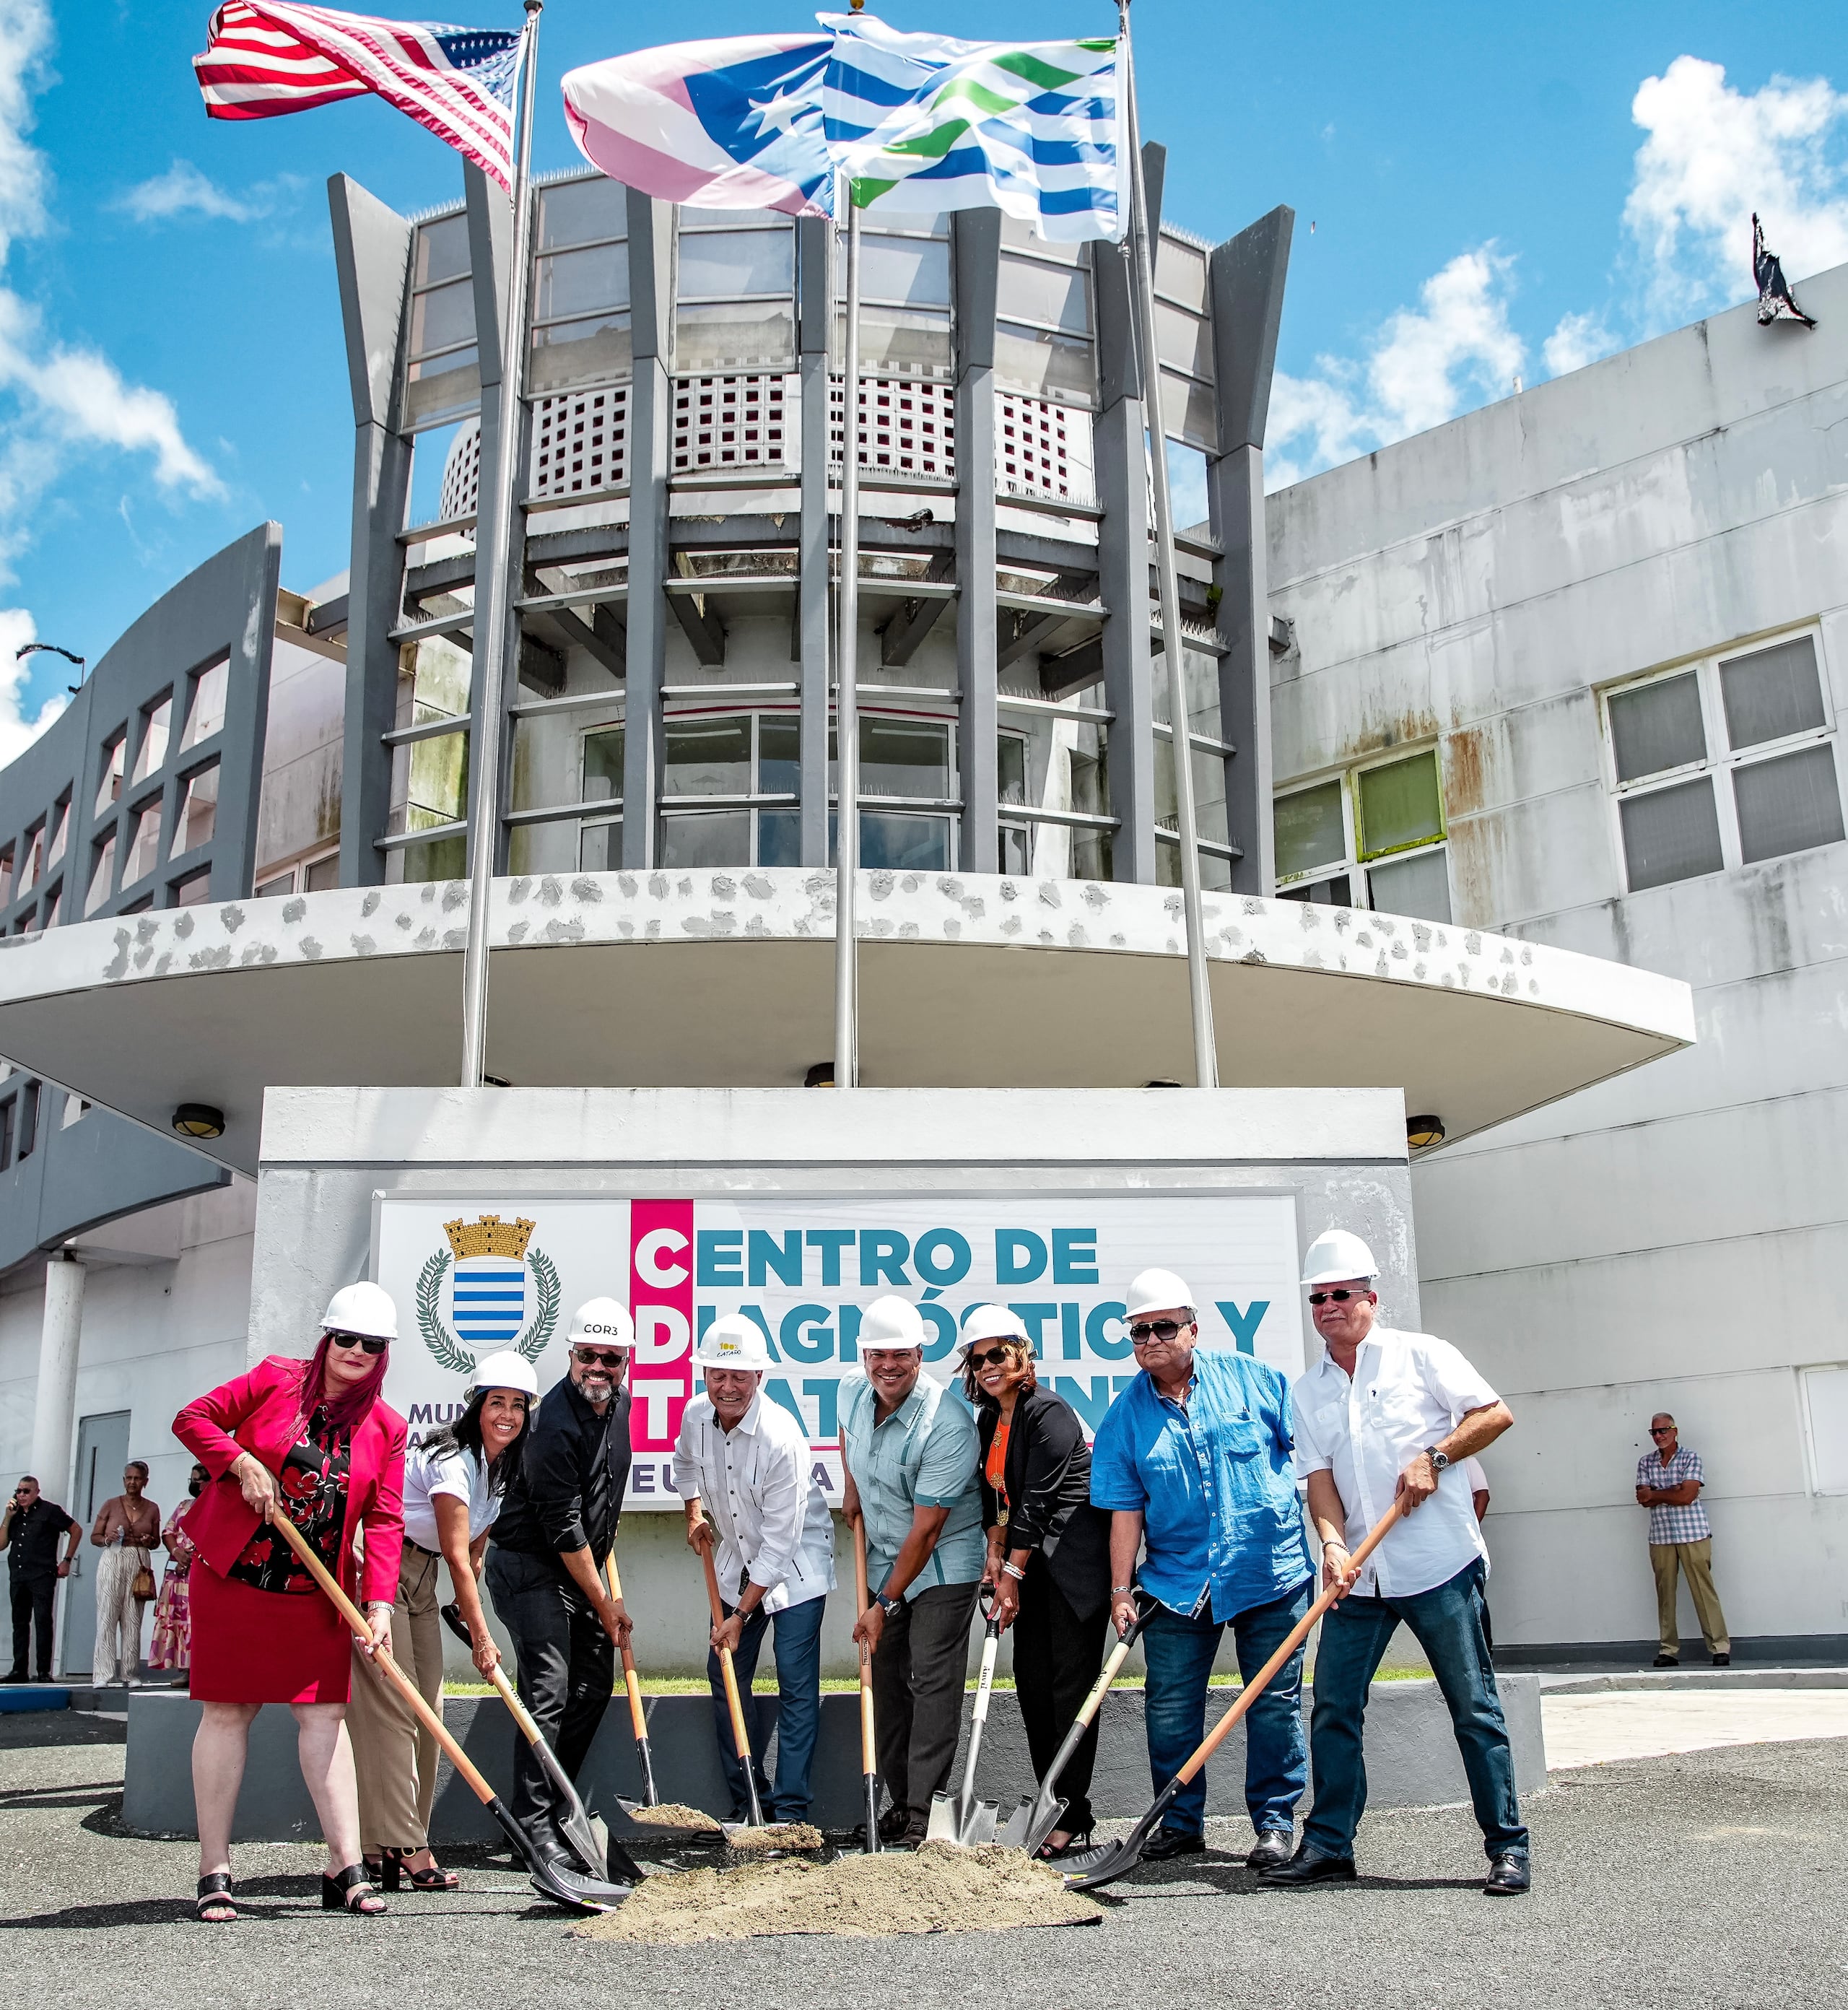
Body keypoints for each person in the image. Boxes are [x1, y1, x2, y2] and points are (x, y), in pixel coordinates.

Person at [1268, 1230, 1529, 1897]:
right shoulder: (1309, 1390)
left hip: (1440, 1565)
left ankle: (1507, 1847)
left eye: (1340, 1294)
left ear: (1370, 1298)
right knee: (1332, 1707)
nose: (1328, 1306)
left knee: (1473, 1707)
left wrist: (1435, 1459)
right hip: (1360, 1573)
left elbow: (1495, 1413)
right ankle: (1328, 1844)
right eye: (1317, 1297)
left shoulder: (1422, 1356)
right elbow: (1318, 1479)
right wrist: (1331, 1544)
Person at [173, 1280, 406, 1923]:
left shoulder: (386, 1426)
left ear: (385, 1352)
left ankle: (346, 1866)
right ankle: (214, 1869)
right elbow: (192, 1418)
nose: (356, 1350)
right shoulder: (276, 1378)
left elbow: (385, 1520)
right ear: (328, 1338)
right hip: (235, 1579)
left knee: (325, 1717)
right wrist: (240, 1461)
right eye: (347, 1338)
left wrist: (379, 1604)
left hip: (314, 1592)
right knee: (228, 1712)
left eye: (372, 1343)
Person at [1089, 1268, 1316, 1869]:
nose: (1150, 1340)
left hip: (1271, 1573)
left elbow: (1313, 1463)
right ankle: (1179, 1823)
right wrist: (1120, 1589)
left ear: (1193, 1328)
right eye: (1138, 1332)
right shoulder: (1124, 1417)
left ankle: (1274, 1825)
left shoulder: (1255, 1380)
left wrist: (1331, 1539)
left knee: (1272, 1702)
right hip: (1176, 1583)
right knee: (1169, 1707)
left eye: (1163, 1327)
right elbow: (1123, 1512)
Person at [348, 1351, 537, 1889]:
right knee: (394, 1707)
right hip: (383, 1568)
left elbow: (472, 1556)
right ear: (476, 1407)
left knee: (429, 1707)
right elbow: (458, 1553)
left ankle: (391, 1843)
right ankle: (402, 1846)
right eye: (496, 1402)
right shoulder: (453, 1459)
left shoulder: (501, 1470)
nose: (507, 1414)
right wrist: (483, 1640)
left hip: (424, 1577)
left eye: (517, 1405)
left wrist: (465, 1605)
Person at [486, 1298, 635, 1868]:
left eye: (610, 1359)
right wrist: (603, 1601)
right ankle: (531, 1827)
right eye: (587, 1357)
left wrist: (600, 1588)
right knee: (547, 1688)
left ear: (626, 1362)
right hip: (528, 1566)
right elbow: (563, 1525)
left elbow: (604, 1498)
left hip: (577, 1569)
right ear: (570, 1355)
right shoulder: (549, 1422)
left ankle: (555, 1804)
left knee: (595, 1684)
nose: (597, 1368)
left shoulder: (618, 1407)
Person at [962, 1304, 1112, 1858]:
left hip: (1070, 1571)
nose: (987, 1367)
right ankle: (1053, 1802)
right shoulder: (989, 1420)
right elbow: (996, 1499)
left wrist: (1011, 1574)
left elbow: (1037, 1502)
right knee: (1031, 1689)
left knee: (1068, 1694)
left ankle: (1072, 1813)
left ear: (1022, 1355)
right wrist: (994, 1555)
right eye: (977, 1360)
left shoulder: (1048, 1411)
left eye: (997, 1354)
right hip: (1029, 1567)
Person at [674, 1314, 834, 1823]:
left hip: (796, 1568)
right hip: (736, 1559)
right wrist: (694, 1511)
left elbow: (781, 1544)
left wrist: (741, 1616)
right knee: (724, 1673)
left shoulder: (781, 1439)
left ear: (760, 1378)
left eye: (739, 1376)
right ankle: (749, 1802)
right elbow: (682, 1466)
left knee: (794, 1682)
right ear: (704, 1376)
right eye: (717, 1374)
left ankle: (789, 1812)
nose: (727, 1387)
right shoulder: (696, 1416)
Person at [840, 1293, 985, 1848]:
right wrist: (852, 1489)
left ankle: (924, 1809)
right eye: (877, 1354)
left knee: (931, 1680)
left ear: (920, 1356)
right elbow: (848, 1437)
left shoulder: (947, 1425)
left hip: (944, 1564)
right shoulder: (852, 1389)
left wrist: (884, 1605)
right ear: (864, 1355)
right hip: (881, 1555)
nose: (888, 1366)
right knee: (885, 1682)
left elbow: (927, 1531)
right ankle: (897, 1804)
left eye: (900, 1354)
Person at [1636, 1413, 1730, 1669]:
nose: (1659, 1436)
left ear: (1675, 1430)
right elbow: (1643, 1498)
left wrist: (1657, 1493)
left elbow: (1688, 1496)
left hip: (1694, 1533)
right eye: (1654, 1432)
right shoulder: (1645, 1462)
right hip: (1661, 1537)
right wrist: (1671, 1492)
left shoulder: (1690, 1457)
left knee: (1703, 1591)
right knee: (1665, 1594)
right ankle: (1668, 1650)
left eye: (1664, 1430)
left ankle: (1719, 1647)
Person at [89, 1461, 161, 1687]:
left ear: (145, 1482)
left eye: (137, 1478)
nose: (132, 1482)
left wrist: (150, 1541)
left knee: (133, 1618)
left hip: (138, 1561)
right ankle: (103, 1672)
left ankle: (130, 1673)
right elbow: (94, 1537)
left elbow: (157, 1541)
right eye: (129, 1478)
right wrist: (106, 1539)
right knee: (108, 1615)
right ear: (124, 1480)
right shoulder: (110, 1505)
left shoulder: (152, 1508)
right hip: (113, 1558)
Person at [3, 1475, 79, 1681]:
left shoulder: (50, 1511)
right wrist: (8, 1516)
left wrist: (67, 1560)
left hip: (41, 1573)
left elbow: (76, 1530)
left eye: (26, 1491)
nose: (21, 1495)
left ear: (37, 1492)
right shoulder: (15, 1513)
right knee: (19, 1622)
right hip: (19, 1574)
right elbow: (2, 1544)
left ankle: (44, 1670)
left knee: (43, 1620)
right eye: (19, 1491)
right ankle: (19, 1669)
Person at [149, 1464, 209, 1681]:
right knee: (178, 1619)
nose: (195, 1484)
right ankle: (185, 1670)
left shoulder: (216, 1505)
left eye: (199, 1480)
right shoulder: (184, 1506)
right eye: (191, 1480)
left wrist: (191, 1556)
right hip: (178, 1572)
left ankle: (200, 1671)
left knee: (197, 1620)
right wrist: (176, 1551)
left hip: (201, 1571)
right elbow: (168, 1532)